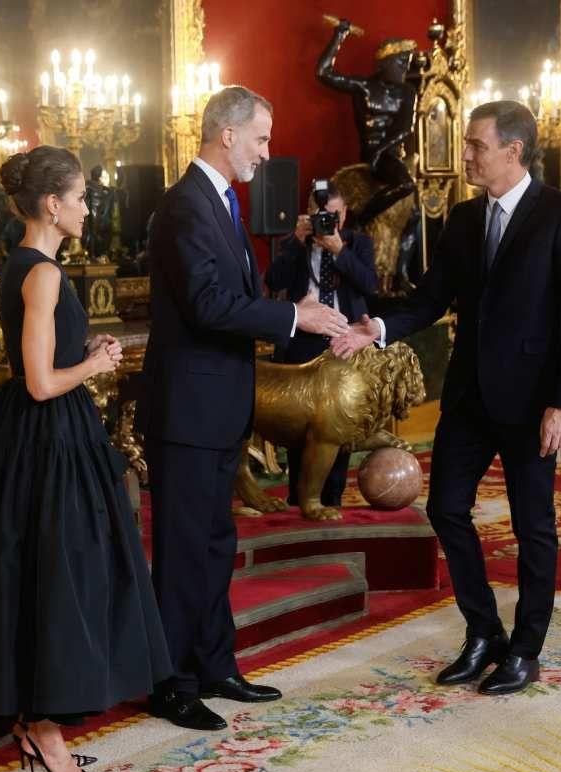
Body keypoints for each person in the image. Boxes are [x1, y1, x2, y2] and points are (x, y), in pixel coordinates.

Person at [0, 146, 171, 772]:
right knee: (62, 576)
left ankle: (35, 724)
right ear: (52, 205)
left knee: (44, 574)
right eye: (81, 197)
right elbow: (37, 382)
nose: (89, 207)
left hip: (43, 436)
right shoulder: (44, 274)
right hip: (47, 435)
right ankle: (47, 731)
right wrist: (94, 367)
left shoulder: (26, 267)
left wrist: (85, 348)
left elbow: (45, 356)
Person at [333, 100, 561, 696]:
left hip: (535, 406)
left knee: (535, 528)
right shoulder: (460, 219)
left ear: (514, 150)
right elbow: (430, 300)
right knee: (446, 508)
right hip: (470, 398)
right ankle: (485, 633)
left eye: (477, 145)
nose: (467, 155)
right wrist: (372, 328)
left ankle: (525, 650)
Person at [138, 86, 349, 731]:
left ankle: (214, 664)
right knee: (182, 547)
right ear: (225, 134)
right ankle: (168, 682)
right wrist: (294, 314)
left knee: (215, 539)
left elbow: (237, 296)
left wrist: (302, 314)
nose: (268, 150)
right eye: (261, 136)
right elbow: (207, 305)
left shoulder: (224, 201)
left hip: (222, 401)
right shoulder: (183, 206)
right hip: (188, 408)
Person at [265, 179, 377, 507]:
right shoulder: (296, 243)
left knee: (337, 425)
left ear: (345, 214)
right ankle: (298, 496)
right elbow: (273, 281)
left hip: (344, 344)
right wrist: (298, 244)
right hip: (303, 344)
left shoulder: (359, 243)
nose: (329, 223)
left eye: (335, 216)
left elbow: (370, 284)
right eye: (322, 216)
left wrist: (339, 250)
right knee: (299, 425)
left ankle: (333, 497)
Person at [317, 18, 418, 225]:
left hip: (389, 154)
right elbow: (323, 72)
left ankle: (360, 218)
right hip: (369, 151)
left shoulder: (407, 91)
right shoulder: (364, 87)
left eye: (406, 65)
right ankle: (358, 220)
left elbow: (406, 128)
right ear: (384, 63)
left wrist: (380, 152)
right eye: (399, 64)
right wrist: (339, 35)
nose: (404, 70)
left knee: (407, 187)